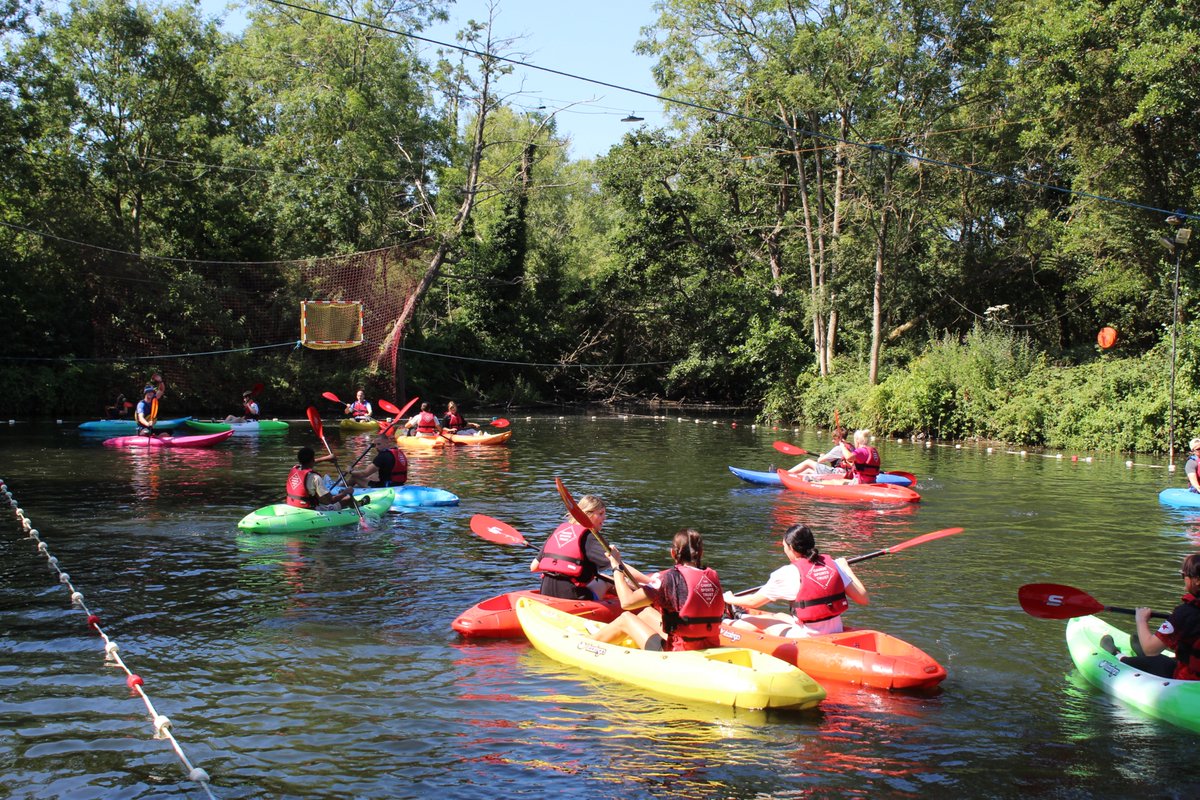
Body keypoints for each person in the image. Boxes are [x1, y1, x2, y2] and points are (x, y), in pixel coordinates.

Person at [723, 522, 869, 638]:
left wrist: (730, 598)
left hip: (807, 637)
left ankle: (727, 622)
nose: (784, 550)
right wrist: (846, 568)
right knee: (779, 616)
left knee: (750, 622)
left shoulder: (787, 573)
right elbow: (863, 598)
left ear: (791, 548)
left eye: (784, 547)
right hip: (835, 630)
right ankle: (739, 614)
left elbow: (753, 602)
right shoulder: (833, 565)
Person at [592, 528, 725, 652]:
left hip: (678, 652)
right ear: (701, 552)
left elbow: (626, 603)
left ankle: (587, 644)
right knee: (647, 613)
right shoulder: (712, 577)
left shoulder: (667, 579)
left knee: (626, 618)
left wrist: (616, 567)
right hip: (709, 646)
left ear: (672, 553)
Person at [1100, 554, 1200, 680]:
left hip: (1189, 679)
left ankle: (1118, 654)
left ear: (1197, 580)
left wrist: (1141, 620)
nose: (1183, 579)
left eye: (1184, 575)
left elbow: (1150, 650)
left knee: (1149, 659)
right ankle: (1139, 649)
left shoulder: (1185, 613)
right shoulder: (1187, 613)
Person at [529, 494, 612, 600]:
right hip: (571, 596)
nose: (604, 518)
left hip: (546, 592)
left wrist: (558, 564)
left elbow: (534, 567)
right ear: (588, 514)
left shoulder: (559, 532)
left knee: (591, 578)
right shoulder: (589, 537)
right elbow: (617, 565)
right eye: (600, 514)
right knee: (606, 580)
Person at [286, 447, 355, 510]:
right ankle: (360, 507)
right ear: (312, 460)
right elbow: (332, 500)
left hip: (292, 505)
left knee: (320, 497)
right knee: (348, 499)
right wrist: (346, 492)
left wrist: (326, 458)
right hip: (310, 510)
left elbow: (308, 462)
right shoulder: (315, 478)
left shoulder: (294, 468)